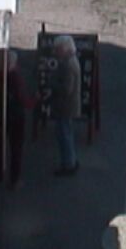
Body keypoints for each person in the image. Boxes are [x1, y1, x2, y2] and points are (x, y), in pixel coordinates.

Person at [0, 50, 30, 190]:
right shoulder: (15, 78)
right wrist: (35, 100)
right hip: (15, 117)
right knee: (16, 148)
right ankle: (14, 179)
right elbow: (23, 99)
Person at [49, 35, 83, 176]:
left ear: (65, 48)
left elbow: (66, 89)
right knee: (66, 133)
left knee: (64, 136)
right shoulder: (71, 61)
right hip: (68, 107)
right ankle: (71, 161)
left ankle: (68, 164)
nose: (55, 52)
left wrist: (52, 82)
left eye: (58, 49)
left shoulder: (68, 65)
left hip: (65, 107)